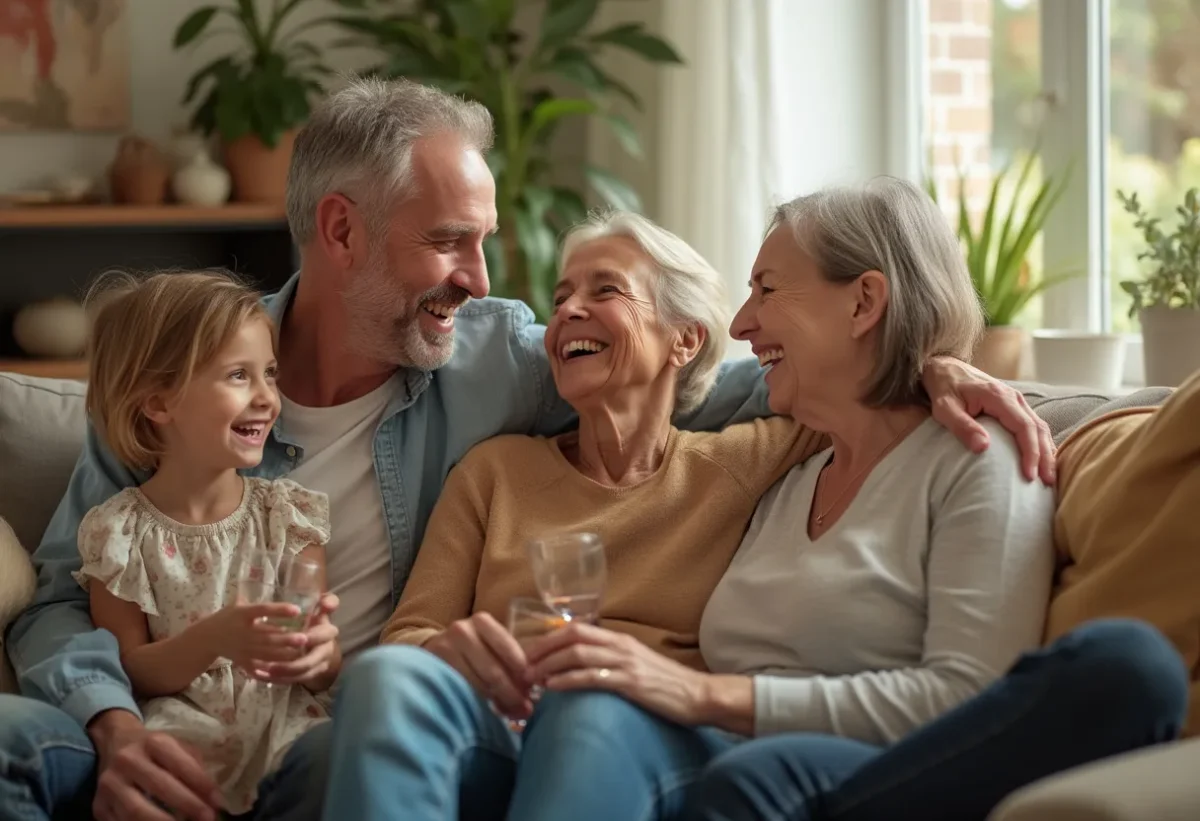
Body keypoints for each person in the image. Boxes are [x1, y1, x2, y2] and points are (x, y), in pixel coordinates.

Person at [0, 77, 1052, 821]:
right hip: (156, 728)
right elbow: (57, 599)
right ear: (339, 230)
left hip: (319, 741)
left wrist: (930, 365)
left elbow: (707, 381)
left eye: (487, 240)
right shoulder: (176, 383)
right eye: (450, 240)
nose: (481, 274)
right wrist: (111, 728)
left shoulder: (501, 355)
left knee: (374, 714)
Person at [311, 194, 1086, 821]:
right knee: (387, 678)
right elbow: (411, 632)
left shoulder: (747, 462)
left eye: (604, 290)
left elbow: (866, 388)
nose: (568, 313)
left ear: (684, 341)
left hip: (646, 731)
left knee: (591, 705)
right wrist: (452, 652)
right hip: (500, 721)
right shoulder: (495, 471)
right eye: (561, 298)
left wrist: (940, 367)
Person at [491, 181, 1182, 821]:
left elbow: (970, 697)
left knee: (757, 777)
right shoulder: (782, 471)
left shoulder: (977, 458)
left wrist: (703, 692)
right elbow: (657, 399)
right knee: (586, 700)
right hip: (715, 752)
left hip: (842, 770)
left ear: (864, 301)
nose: (740, 321)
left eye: (765, 288)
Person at [74, 271, 339, 815]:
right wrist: (215, 637)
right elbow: (130, 668)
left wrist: (316, 656)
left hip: (284, 724)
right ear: (159, 402)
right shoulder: (118, 532)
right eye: (239, 376)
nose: (268, 397)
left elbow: (320, 657)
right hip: (182, 726)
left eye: (269, 373)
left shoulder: (289, 515)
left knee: (335, 760)